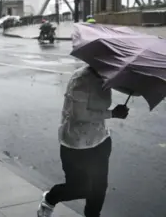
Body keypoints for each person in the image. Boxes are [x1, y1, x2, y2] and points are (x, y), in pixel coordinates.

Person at [37, 65, 129, 217]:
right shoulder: (80, 79)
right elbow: (80, 114)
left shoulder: (108, 77)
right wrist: (112, 113)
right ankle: (50, 197)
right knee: (80, 188)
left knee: (99, 189)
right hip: (76, 143)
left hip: (100, 140)